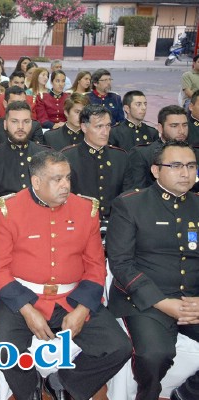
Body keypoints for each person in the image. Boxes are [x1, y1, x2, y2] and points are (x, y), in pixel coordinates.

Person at [0, 150, 132, 400]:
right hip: (22, 296)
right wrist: (27, 309)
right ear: (36, 181)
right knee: (1, 348)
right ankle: (29, 388)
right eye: (57, 179)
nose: (66, 185)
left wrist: (83, 309)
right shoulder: (7, 209)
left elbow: (96, 265)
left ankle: (63, 383)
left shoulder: (86, 209)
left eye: (68, 178)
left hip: (72, 296)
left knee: (119, 348)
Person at [107, 140, 199, 400]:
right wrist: (161, 302)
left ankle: (186, 394)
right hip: (144, 301)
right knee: (154, 355)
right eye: (177, 166)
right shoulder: (131, 204)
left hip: (192, 298)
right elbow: (122, 263)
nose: (186, 173)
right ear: (156, 170)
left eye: (191, 166)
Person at [62, 104, 128, 230]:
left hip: (115, 223)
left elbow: (126, 196)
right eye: (99, 126)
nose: (105, 132)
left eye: (108, 126)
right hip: (79, 223)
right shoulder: (68, 157)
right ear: (84, 127)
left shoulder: (120, 157)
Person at [0, 101, 49, 220]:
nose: (20, 127)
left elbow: (51, 193)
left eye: (26, 121)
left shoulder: (45, 154)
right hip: (6, 218)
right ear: (5, 124)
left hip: (41, 218)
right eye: (14, 121)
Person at [123, 105, 189, 191]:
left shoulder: (195, 153)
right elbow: (136, 194)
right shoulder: (143, 154)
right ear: (160, 128)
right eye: (174, 126)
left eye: (184, 125)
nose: (181, 131)